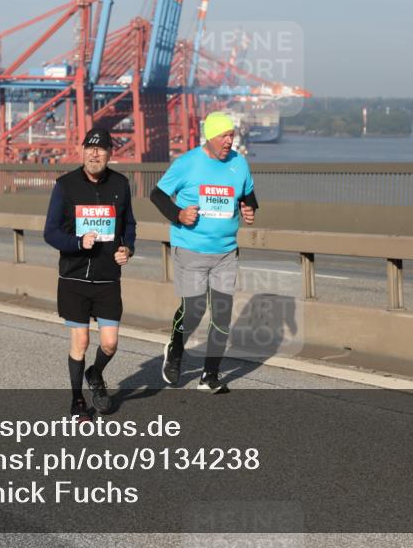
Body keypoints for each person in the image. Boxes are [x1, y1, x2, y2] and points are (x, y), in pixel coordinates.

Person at [150, 111, 257, 393]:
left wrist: (249, 209)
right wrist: (178, 214)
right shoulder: (187, 163)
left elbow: (248, 195)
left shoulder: (239, 164)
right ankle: (174, 353)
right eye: (224, 136)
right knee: (195, 310)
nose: (229, 141)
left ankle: (210, 375)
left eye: (232, 135)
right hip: (190, 249)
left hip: (225, 252)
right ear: (209, 136)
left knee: (222, 314)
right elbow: (157, 195)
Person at [44, 128, 135, 420]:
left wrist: (127, 249)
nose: (94, 153)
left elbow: (129, 225)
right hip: (74, 278)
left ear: (110, 154)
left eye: (101, 149)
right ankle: (77, 401)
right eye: (89, 148)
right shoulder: (65, 185)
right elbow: (50, 232)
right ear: (82, 151)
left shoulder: (121, 184)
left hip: (108, 278)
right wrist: (77, 243)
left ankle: (95, 373)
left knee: (110, 343)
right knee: (80, 341)